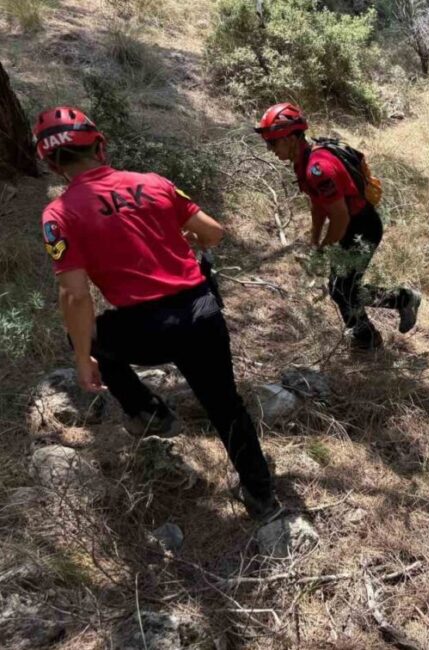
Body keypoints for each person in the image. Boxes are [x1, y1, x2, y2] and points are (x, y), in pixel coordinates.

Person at [34, 107, 281, 521]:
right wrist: (180, 234)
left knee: (86, 337)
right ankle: (262, 497)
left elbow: (74, 296)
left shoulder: (58, 216)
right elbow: (214, 233)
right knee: (225, 406)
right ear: (99, 145)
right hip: (201, 313)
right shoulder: (153, 183)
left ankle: (150, 412)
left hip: (145, 327)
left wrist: (82, 359)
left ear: (53, 164)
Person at [254, 103, 419, 349]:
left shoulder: (317, 170)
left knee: (342, 289)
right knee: (342, 288)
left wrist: (325, 248)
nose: (270, 150)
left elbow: (340, 218)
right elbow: (319, 205)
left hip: (361, 228)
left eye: (272, 143)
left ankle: (386, 318)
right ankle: (379, 324)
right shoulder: (305, 160)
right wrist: (315, 240)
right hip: (353, 226)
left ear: (289, 138)